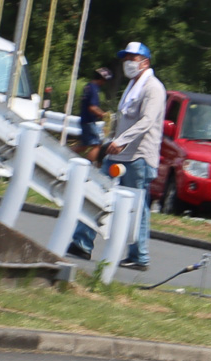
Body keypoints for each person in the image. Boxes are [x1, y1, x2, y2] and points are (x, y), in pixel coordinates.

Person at [70, 42, 163, 268]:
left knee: (137, 207)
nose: (128, 63)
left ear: (145, 62)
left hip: (138, 156)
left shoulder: (153, 88)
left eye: (133, 58)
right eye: (126, 58)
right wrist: (111, 141)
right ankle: (82, 243)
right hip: (118, 153)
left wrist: (121, 141)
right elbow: (123, 119)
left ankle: (138, 256)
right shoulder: (133, 86)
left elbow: (147, 121)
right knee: (99, 193)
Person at [75, 66, 112, 157]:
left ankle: (64, 153)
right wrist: (103, 115)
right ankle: (89, 165)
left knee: (84, 145)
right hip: (89, 121)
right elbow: (92, 107)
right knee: (97, 144)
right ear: (102, 79)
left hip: (85, 119)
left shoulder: (88, 86)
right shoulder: (94, 89)